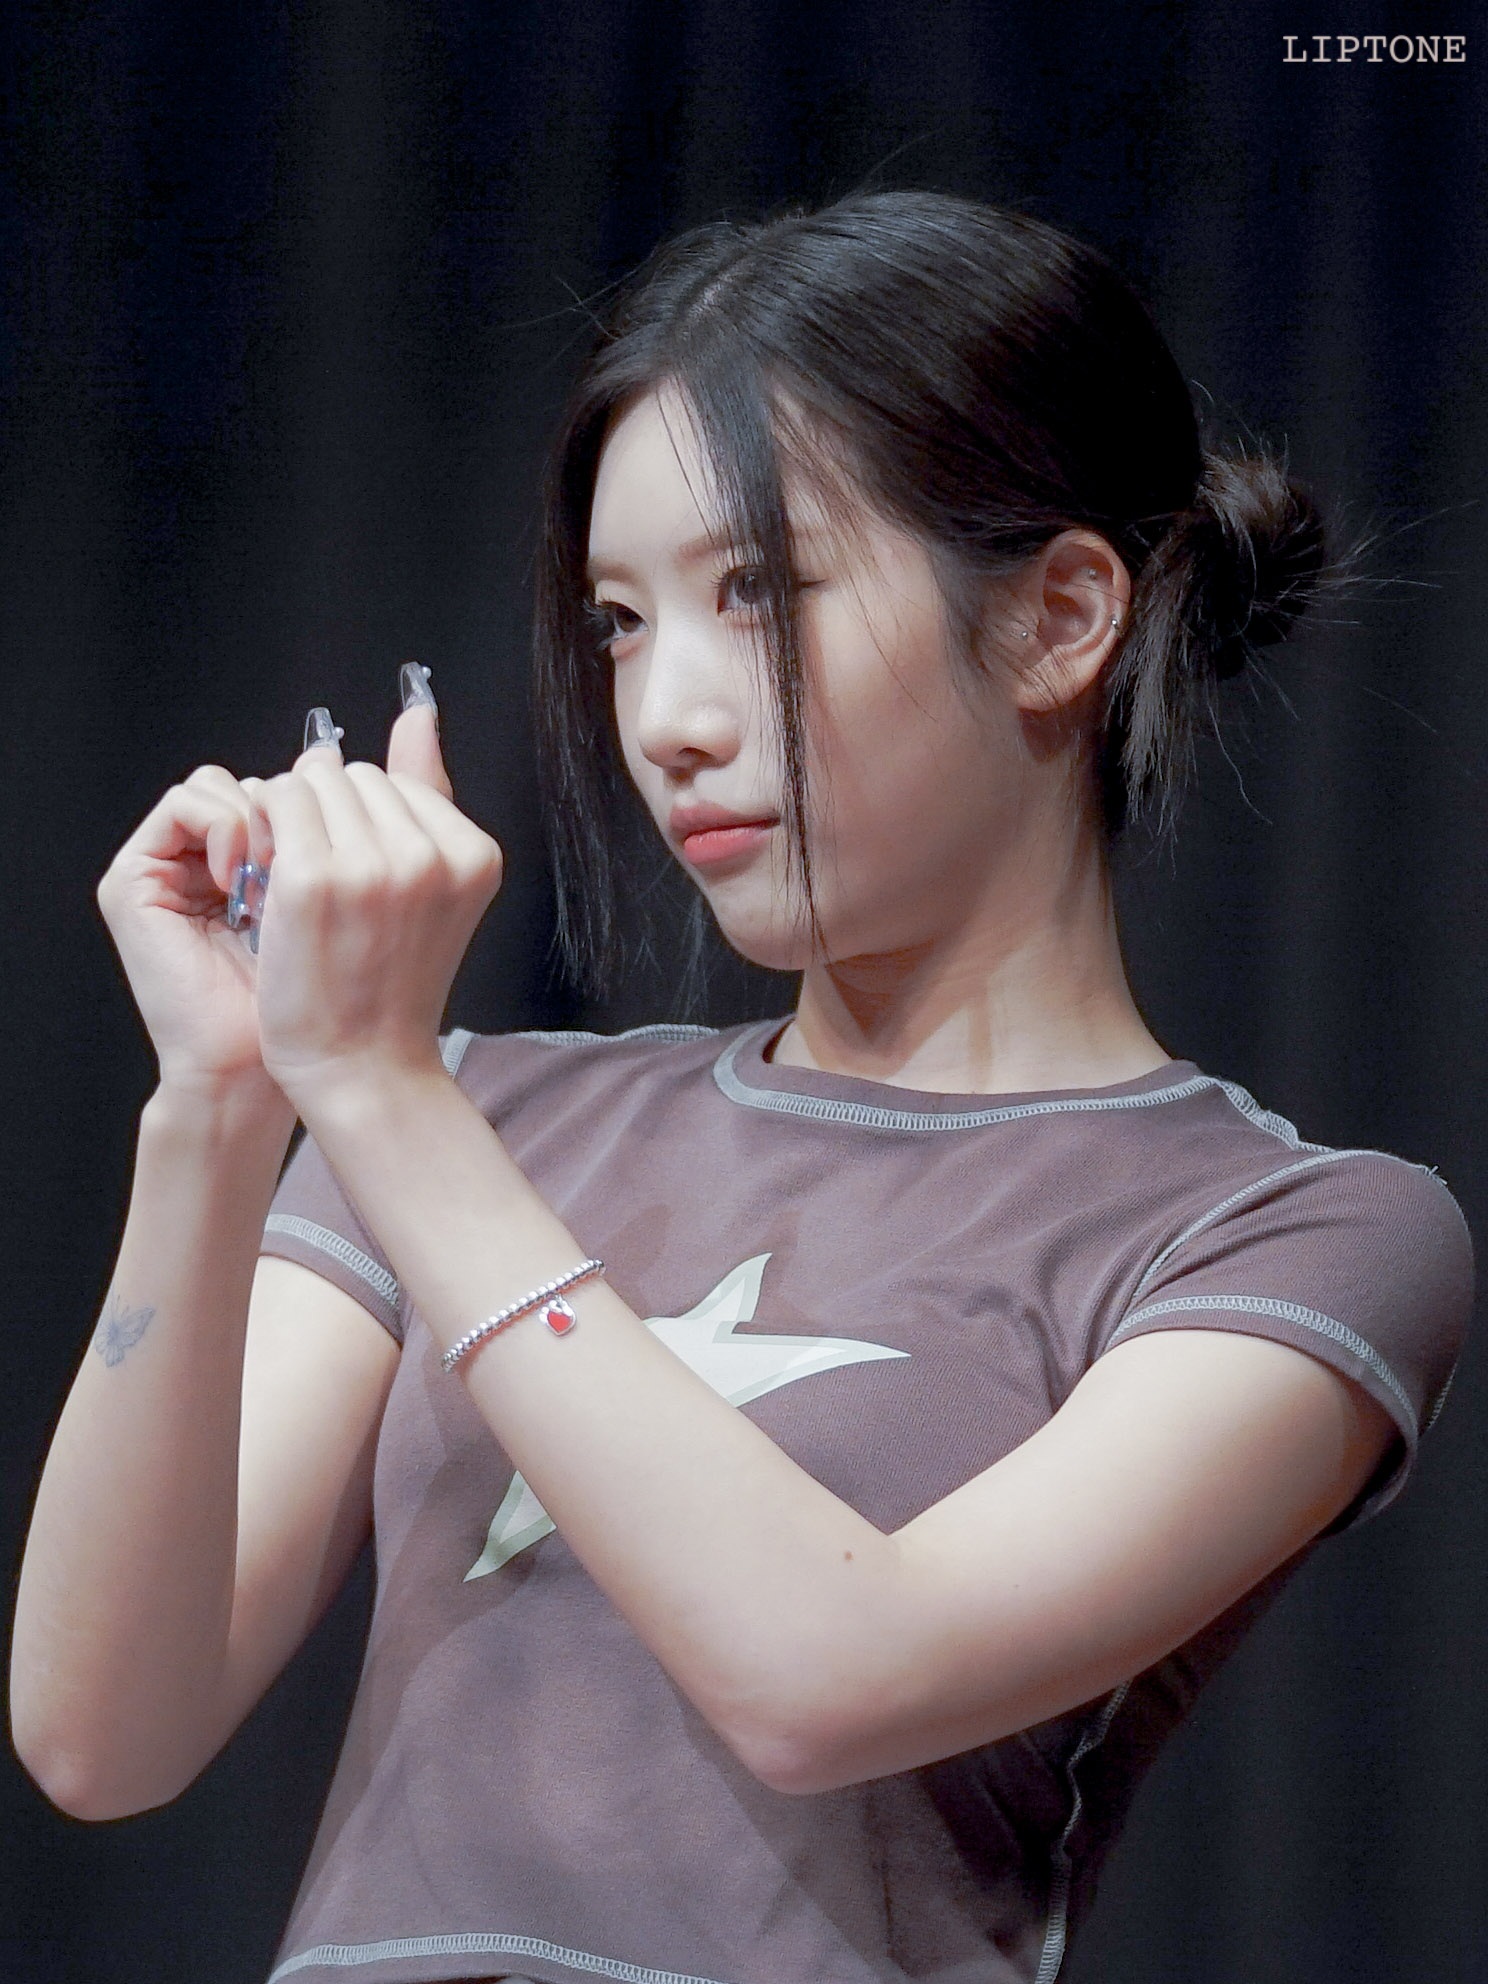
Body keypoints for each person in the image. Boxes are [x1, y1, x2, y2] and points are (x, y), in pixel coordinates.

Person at [11, 191, 1473, 1984]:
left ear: (1061, 617)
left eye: (759, 591)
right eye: (621, 621)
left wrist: (380, 1094)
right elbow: (102, 1733)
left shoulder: (1290, 1234)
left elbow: (827, 1675)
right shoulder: (486, 1114)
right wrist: (223, 1108)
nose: (665, 718)